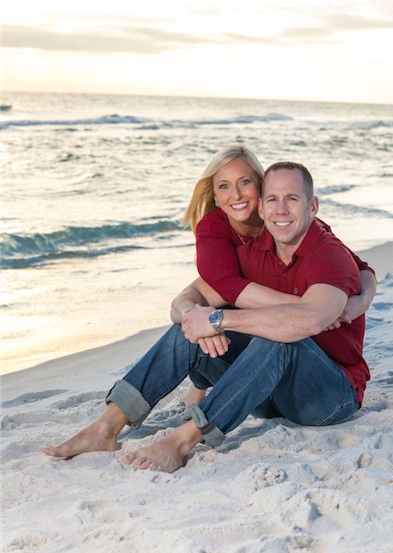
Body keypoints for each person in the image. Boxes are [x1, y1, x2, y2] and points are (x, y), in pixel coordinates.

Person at [42, 161, 371, 474]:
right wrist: (197, 319)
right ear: (261, 207)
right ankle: (106, 426)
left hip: (328, 396)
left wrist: (219, 321)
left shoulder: (328, 255)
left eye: (292, 199)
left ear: (312, 207)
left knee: (281, 340)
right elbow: (183, 302)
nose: (281, 210)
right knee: (187, 327)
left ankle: (182, 443)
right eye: (272, 199)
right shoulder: (252, 253)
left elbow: (310, 321)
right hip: (264, 395)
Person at [180, 145, 376, 406]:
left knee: (276, 333)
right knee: (200, 322)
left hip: (279, 316)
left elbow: (354, 264)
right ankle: (199, 385)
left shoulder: (288, 216)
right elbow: (222, 285)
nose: (236, 194)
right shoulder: (215, 227)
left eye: (245, 182)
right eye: (224, 186)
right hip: (237, 298)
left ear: (260, 188)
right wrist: (309, 310)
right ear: (215, 195)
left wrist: (363, 299)